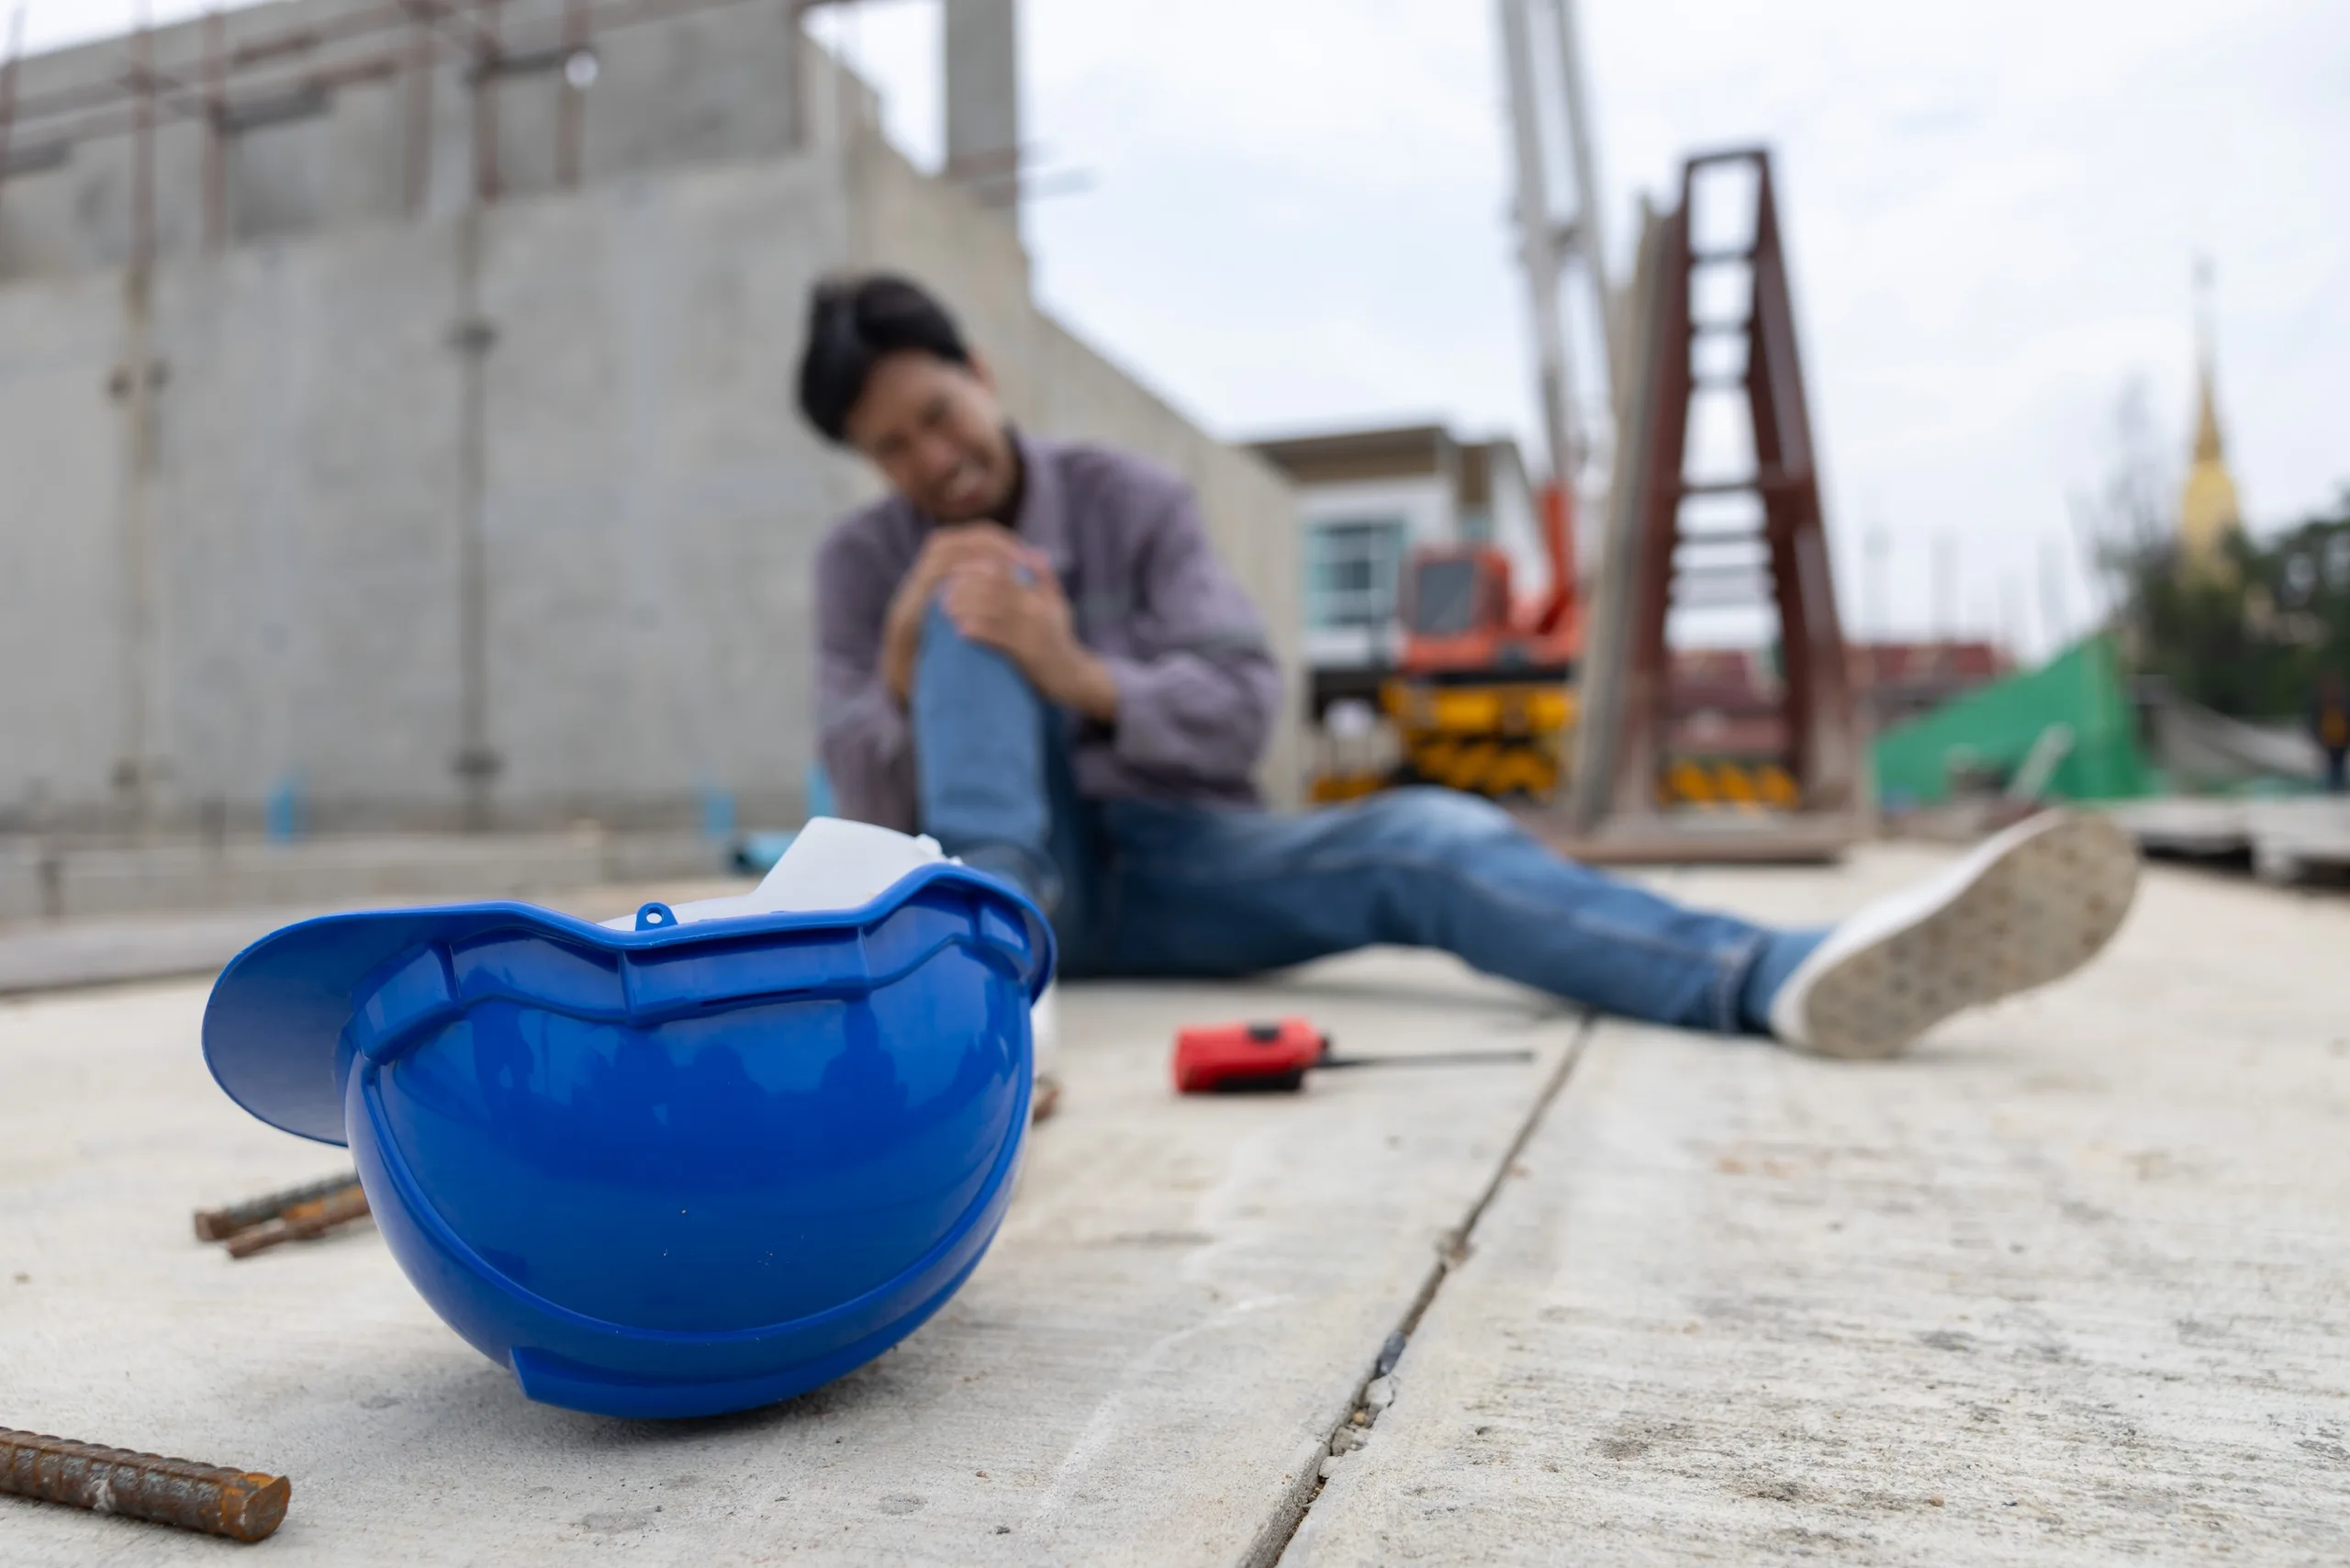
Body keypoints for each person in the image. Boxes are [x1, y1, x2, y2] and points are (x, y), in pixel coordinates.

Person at [801, 274, 2138, 1060]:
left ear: (978, 371)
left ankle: (1769, 976)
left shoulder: (1130, 497)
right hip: (975, 907)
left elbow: (1242, 716)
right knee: (968, 597)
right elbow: (858, 794)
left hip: (1173, 873)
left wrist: (1081, 672)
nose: (928, 461)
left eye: (935, 417)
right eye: (894, 451)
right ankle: (987, 995)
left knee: (1432, 839)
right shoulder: (866, 566)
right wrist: (918, 654)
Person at [2313, 673, 2350, 795]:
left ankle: (2337, 789)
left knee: (2338, 767)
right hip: (2331, 743)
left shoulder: (2342, 706)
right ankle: (2334, 789)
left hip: (2340, 743)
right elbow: (2316, 726)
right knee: (2333, 768)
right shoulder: (2324, 707)